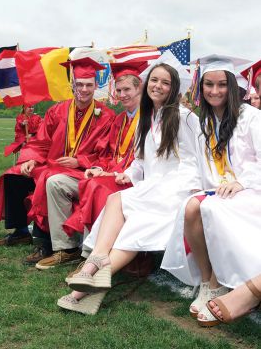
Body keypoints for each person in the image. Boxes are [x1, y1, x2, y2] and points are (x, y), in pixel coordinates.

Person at [57, 61, 201, 315]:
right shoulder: (148, 117)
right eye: (154, 80)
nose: (158, 86)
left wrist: (166, 189)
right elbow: (140, 161)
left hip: (176, 191)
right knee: (115, 199)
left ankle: (83, 287)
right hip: (152, 188)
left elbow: (194, 161)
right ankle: (96, 265)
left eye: (165, 82)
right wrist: (127, 175)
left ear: (173, 87)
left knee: (133, 227)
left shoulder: (184, 116)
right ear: (147, 84)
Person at [161, 54, 261, 327]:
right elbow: (192, 159)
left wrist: (243, 182)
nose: (215, 91)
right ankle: (209, 283)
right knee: (191, 205)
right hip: (217, 189)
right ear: (200, 87)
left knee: (209, 208)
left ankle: (221, 281)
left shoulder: (251, 117)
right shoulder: (199, 121)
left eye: (221, 85)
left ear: (231, 86)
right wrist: (195, 186)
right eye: (209, 85)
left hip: (251, 191)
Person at [0, 58, 115, 264]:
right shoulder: (57, 111)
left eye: (88, 85)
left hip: (81, 171)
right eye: (79, 84)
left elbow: (106, 155)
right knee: (14, 174)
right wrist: (31, 159)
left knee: (47, 179)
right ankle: (21, 231)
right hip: (52, 164)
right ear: (72, 85)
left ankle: (46, 244)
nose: (84, 90)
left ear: (96, 86)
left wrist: (79, 161)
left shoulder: (106, 116)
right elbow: (42, 141)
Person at [35, 61, 146, 269]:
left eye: (127, 90)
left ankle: (89, 255)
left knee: (96, 187)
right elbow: (106, 152)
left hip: (133, 179)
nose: (122, 95)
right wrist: (98, 168)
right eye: (119, 90)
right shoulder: (120, 119)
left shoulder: (151, 119)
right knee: (55, 182)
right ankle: (66, 249)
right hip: (107, 173)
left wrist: (111, 171)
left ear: (139, 88)